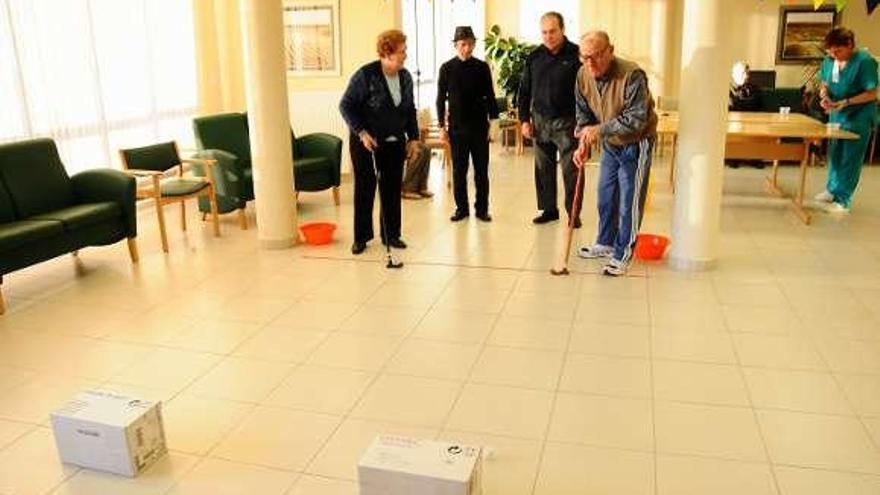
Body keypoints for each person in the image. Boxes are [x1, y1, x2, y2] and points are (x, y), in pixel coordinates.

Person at [574, 31, 658, 277]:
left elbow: (636, 120)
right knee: (606, 196)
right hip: (611, 143)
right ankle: (605, 242)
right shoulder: (582, 75)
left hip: (637, 142)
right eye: (584, 57)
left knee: (629, 202)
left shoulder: (632, 75)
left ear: (610, 50)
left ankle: (623, 254)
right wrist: (583, 143)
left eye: (597, 56)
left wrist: (598, 130)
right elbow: (583, 114)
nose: (590, 63)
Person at [339, 29, 421, 255]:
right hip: (366, 141)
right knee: (366, 187)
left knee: (392, 188)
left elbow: (410, 110)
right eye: (402, 51)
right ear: (388, 52)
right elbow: (345, 105)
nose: (406, 55)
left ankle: (391, 234)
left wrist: (413, 138)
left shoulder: (405, 77)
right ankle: (361, 237)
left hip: (395, 141)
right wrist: (362, 132)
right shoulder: (366, 75)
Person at [517, 12, 582, 226]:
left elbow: (586, 92)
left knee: (570, 170)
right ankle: (548, 210)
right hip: (540, 121)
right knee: (543, 168)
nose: (548, 36)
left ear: (563, 29)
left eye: (553, 31)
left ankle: (573, 213)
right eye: (544, 32)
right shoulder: (534, 57)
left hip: (567, 122)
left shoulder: (576, 55)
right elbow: (524, 91)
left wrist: (585, 123)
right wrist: (524, 120)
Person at [437, 26, 499, 222]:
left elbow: (490, 96)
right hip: (457, 129)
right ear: (456, 45)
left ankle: (482, 209)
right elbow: (440, 99)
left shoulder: (482, 67)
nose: (467, 48)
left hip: (479, 128)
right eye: (463, 44)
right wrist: (441, 126)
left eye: (471, 44)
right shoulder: (446, 68)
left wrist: (494, 123)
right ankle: (461, 208)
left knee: (481, 171)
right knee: (459, 171)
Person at [813, 27, 878, 214]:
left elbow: (872, 92)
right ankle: (831, 190)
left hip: (859, 115)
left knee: (851, 157)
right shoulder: (829, 60)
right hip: (837, 113)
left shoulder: (865, 62)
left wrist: (846, 102)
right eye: (831, 52)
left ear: (849, 45)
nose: (834, 55)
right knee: (835, 153)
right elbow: (824, 83)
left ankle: (843, 199)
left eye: (838, 51)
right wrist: (824, 96)